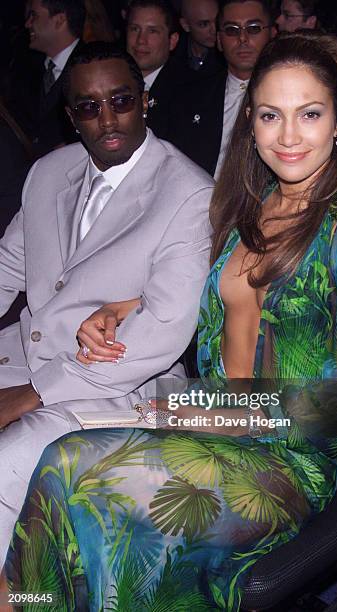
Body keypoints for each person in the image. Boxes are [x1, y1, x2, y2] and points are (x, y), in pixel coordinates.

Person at [4, 31, 337, 610]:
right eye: (270, 115)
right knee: (59, 462)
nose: (288, 136)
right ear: (251, 122)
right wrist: (120, 308)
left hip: (281, 464)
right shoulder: (253, 204)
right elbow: (220, 299)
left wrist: (201, 410)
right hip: (202, 417)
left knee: (76, 470)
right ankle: (30, 601)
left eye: (308, 114)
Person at [0, 41, 213, 569]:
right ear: (72, 117)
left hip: (118, 384)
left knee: (11, 457)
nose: (108, 118)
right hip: (25, 355)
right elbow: (8, 267)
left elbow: (161, 331)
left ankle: (22, 591)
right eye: (90, 107)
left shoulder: (188, 193)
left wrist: (31, 395)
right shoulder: (49, 172)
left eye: (121, 100)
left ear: (146, 102)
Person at [167, 0, 273, 176]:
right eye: (232, 30)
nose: (243, 39)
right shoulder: (189, 97)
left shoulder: (290, 96)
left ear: (272, 33)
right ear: (219, 40)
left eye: (253, 28)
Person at [12, 0, 86, 157]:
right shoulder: (23, 67)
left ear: (59, 20)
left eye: (34, 15)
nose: (27, 24)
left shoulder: (90, 66)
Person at [126, 0, 187, 139]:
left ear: (172, 41)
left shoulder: (188, 91)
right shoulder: (111, 80)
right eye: (135, 29)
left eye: (152, 31)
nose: (141, 40)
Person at [176, 0, 224, 73]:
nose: (214, 30)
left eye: (217, 21)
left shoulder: (228, 55)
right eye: (204, 24)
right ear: (185, 25)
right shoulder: (170, 55)